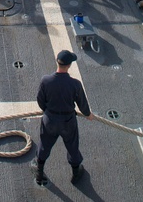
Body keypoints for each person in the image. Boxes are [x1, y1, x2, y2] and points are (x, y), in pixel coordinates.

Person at [33, 50, 92, 186]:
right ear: (69, 65)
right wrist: (88, 114)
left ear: (57, 62)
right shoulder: (75, 84)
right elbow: (82, 103)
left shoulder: (46, 80)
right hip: (68, 122)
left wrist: (47, 112)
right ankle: (76, 173)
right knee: (72, 146)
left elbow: (40, 100)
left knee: (44, 145)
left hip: (50, 120)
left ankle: (39, 173)